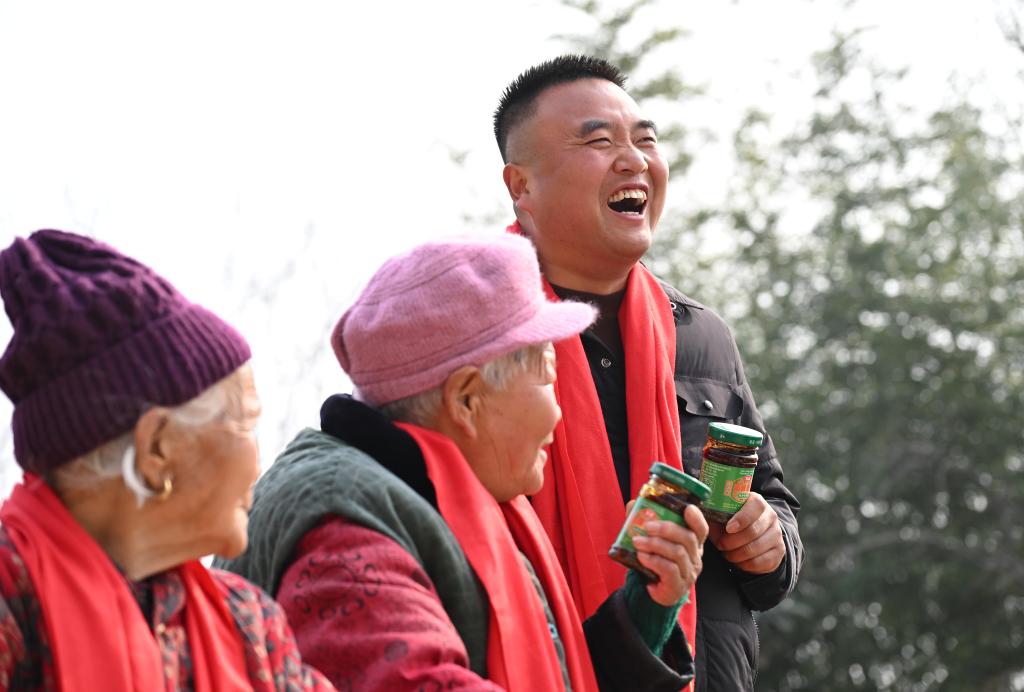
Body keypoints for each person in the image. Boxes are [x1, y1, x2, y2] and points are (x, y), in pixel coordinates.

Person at [217, 233, 707, 691]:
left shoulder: (428, 496)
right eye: (548, 375)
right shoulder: (343, 537)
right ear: (467, 399)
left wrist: (645, 606)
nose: (559, 413)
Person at [493, 54, 803, 691]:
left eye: (645, 140)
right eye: (599, 142)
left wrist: (769, 542)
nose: (633, 160)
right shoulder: (481, 339)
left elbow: (772, 501)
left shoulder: (700, 336)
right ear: (521, 186)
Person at [0, 230, 333, 691]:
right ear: (157, 448)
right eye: (245, 423)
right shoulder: (12, 591)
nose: (258, 465)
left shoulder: (250, 625)